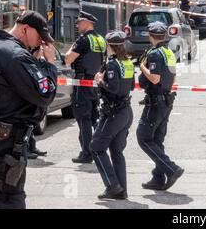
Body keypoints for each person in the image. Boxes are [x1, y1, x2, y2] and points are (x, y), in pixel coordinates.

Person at [0, 11, 57, 209]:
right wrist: (48, 64)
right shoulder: (16, 55)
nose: (40, 42)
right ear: (25, 28)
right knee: (10, 199)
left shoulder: (2, 47)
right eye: (39, 37)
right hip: (6, 146)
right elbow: (45, 94)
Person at [137, 22, 183, 191]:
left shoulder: (155, 53)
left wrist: (142, 66)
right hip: (166, 99)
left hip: (156, 101)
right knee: (156, 140)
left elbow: (154, 78)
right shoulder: (168, 52)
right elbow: (174, 76)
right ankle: (157, 178)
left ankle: (171, 169)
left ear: (150, 35)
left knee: (143, 138)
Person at [90, 31, 135, 200]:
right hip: (125, 112)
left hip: (113, 113)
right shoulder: (128, 63)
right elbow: (130, 86)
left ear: (110, 46)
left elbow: (113, 88)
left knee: (96, 147)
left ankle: (112, 186)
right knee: (116, 151)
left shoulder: (112, 65)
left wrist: (100, 81)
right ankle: (121, 190)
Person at [65, 12, 106, 164]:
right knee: (94, 118)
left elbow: (68, 59)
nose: (76, 25)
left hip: (82, 84)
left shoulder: (83, 40)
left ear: (87, 23)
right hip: (95, 84)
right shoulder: (100, 39)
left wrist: (72, 47)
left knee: (83, 119)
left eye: (79, 22)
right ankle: (98, 148)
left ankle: (87, 153)